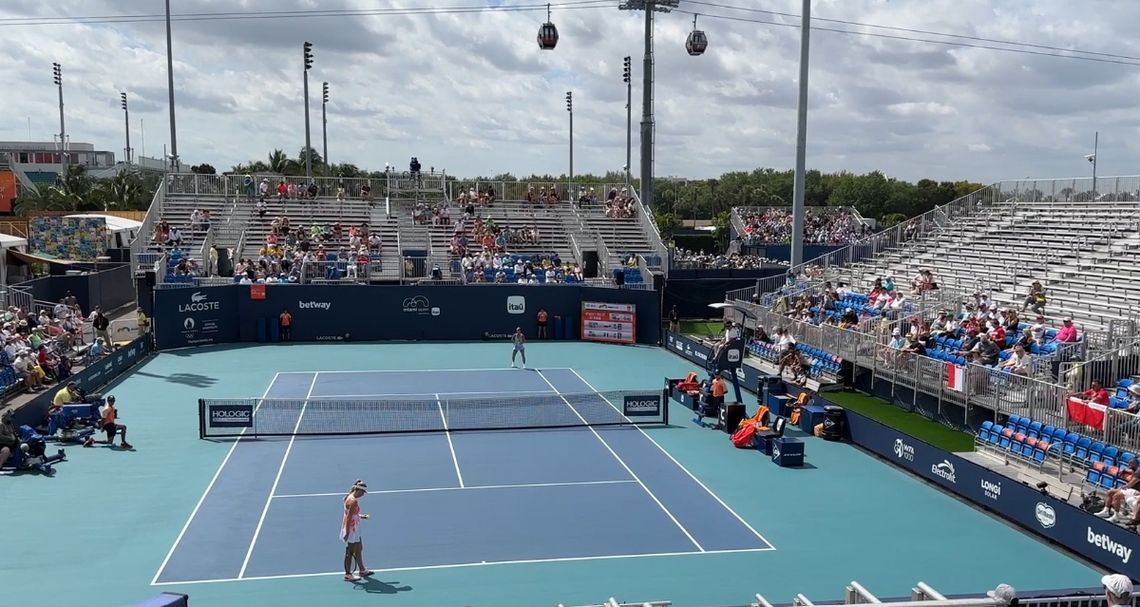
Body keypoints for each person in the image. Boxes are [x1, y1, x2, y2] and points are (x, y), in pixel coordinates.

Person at [341, 480, 373, 582]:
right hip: (351, 529)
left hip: (355, 527)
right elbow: (348, 517)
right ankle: (348, 574)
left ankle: (362, 570)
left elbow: (352, 514)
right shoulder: (353, 501)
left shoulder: (350, 497)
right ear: (358, 490)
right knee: (350, 551)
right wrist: (346, 532)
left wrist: (361, 516)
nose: (363, 495)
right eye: (362, 492)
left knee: (359, 548)